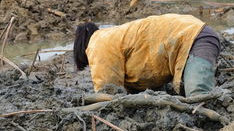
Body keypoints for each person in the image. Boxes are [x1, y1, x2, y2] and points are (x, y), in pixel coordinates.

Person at [73, 13, 221, 97]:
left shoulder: (98, 42)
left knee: (198, 97)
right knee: (187, 95)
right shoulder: (114, 36)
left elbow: (109, 91)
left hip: (195, 38)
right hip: (194, 35)